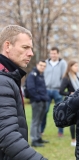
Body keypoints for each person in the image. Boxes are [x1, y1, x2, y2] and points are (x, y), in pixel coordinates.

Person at [0, 25, 47, 159]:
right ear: (7, 46)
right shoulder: (2, 80)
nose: (31, 53)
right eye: (25, 48)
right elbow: (7, 136)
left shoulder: (9, 76)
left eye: (31, 48)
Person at [42, 46, 67, 137]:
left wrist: (62, 88)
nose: (53, 55)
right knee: (44, 110)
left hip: (58, 91)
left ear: (58, 54)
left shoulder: (63, 63)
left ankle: (60, 132)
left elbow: (64, 77)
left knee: (59, 111)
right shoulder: (45, 63)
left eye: (55, 53)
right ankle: (41, 131)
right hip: (47, 90)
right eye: (51, 53)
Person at [59, 60, 79, 146]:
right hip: (72, 101)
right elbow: (61, 91)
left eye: (77, 66)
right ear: (70, 67)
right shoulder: (67, 77)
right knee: (73, 121)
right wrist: (70, 93)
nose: (77, 68)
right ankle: (73, 140)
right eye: (75, 66)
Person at [26, 60, 49, 147]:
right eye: (41, 65)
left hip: (43, 100)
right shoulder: (32, 75)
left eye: (44, 66)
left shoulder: (41, 75)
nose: (42, 67)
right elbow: (30, 88)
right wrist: (37, 98)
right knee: (35, 121)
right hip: (37, 101)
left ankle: (38, 138)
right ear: (37, 65)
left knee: (40, 120)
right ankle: (34, 140)